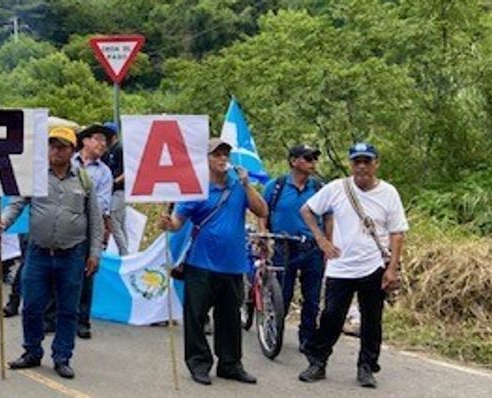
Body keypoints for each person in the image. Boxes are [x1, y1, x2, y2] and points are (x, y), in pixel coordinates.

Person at [157, 138, 268, 386]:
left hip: (233, 265)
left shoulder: (238, 186)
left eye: (225, 154)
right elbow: (177, 224)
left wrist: (247, 184)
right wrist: (167, 223)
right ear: (205, 159)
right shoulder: (195, 189)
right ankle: (199, 363)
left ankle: (230, 364)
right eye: (216, 155)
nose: (222, 159)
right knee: (196, 316)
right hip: (201, 264)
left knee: (229, 317)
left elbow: (262, 211)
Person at [0, 125, 103, 380]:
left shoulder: (84, 180)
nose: (56, 150)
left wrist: (95, 253)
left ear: (72, 150)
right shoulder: (35, 178)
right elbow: (17, 204)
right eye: (53, 144)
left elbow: (95, 220)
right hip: (39, 253)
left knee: (68, 309)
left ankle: (62, 357)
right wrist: (2, 223)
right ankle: (32, 351)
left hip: (72, 255)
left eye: (62, 146)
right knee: (31, 305)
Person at [298, 142, 407, 388]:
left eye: (366, 161)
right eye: (356, 161)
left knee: (372, 320)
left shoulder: (389, 193)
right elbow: (307, 210)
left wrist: (392, 269)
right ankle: (317, 362)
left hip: (374, 266)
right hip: (341, 266)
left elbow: (397, 233)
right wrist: (322, 240)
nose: (361, 166)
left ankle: (366, 367)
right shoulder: (337, 188)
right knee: (331, 317)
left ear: (376, 164)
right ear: (351, 164)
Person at [259, 144, 327, 353]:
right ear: (294, 161)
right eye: (307, 158)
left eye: (314, 158)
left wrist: (328, 243)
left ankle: (307, 338)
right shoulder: (276, 186)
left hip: (312, 248)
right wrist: (263, 235)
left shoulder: (319, 188)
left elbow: (329, 216)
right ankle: (274, 330)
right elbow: (262, 211)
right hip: (284, 246)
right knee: (283, 293)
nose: (312, 162)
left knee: (312, 297)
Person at [71, 124, 114, 340]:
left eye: (105, 142)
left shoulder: (104, 172)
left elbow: (104, 202)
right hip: (65, 223)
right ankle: (50, 318)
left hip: (89, 224)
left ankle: (82, 321)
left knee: (87, 272)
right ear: (85, 141)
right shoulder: (68, 161)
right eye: (98, 139)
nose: (102, 145)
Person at [100, 122, 129, 255]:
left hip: (120, 190)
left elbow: (128, 170)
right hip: (113, 191)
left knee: (114, 222)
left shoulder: (120, 148)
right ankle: (125, 251)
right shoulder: (109, 151)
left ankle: (124, 253)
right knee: (119, 223)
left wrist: (114, 182)